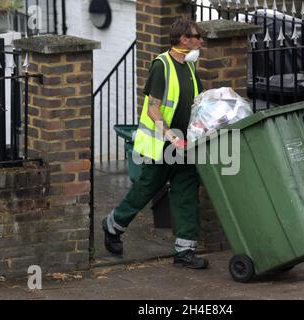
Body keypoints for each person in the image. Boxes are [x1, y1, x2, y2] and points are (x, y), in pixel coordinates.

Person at [102, 18, 209, 269]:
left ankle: (184, 252)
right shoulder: (162, 65)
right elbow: (153, 109)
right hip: (164, 145)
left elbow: (197, 103)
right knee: (147, 188)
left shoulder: (190, 68)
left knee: (186, 194)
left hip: (187, 145)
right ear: (183, 39)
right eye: (196, 36)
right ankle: (113, 225)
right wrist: (170, 135)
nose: (200, 41)